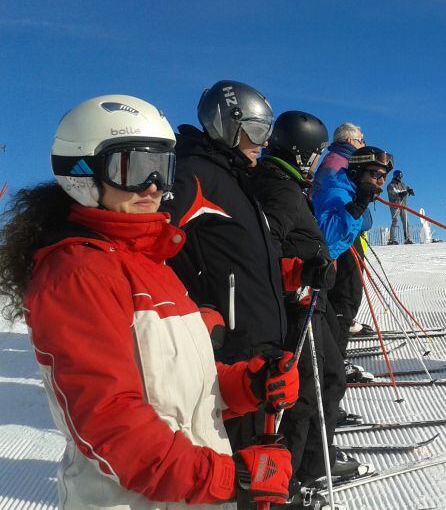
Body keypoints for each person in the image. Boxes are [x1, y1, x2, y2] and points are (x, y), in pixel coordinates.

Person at [0, 95, 296, 509]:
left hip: (186, 495)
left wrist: (245, 384)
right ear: (84, 172)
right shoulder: (78, 273)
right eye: (134, 168)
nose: (154, 185)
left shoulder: (150, 264)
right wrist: (231, 478)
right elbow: (110, 422)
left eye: (162, 168)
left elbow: (175, 389)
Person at [160, 81, 289, 458]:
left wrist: (289, 272)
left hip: (259, 347)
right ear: (227, 125)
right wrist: (186, 310)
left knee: (261, 461)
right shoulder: (195, 175)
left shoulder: (236, 180)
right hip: (230, 350)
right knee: (235, 461)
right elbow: (145, 248)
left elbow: (242, 256)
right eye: (257, 130)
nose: (263, 142)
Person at [250, 110, 363, 496]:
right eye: (313, 154)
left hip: (304, 297)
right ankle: (300, 471)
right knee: (318, 384)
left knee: (323, 380)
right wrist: (297, 273)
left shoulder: (283, 182)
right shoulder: (280, 189)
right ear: (302, 153)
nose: (317, 161)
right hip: (297, 303)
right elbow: (264, 248)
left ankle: (311, 459)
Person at [314, 122, 374, 344]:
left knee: (342, 298)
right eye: (361, 139)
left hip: (345, 235)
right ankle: (337, 361)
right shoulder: (342, 165)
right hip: (342, 240)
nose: (364, 144)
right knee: (346, 297)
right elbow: (338, 206)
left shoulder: (335, 162)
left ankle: (338, 337)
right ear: (349, 141)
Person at [313, 121, 365, 192]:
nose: (364, 145)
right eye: (361, 141)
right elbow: (325, 192)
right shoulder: (339, 162)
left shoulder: (334, 157)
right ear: (350, 140)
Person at [386, 169, 414, 244]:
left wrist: (410, 190)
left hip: (403, 205)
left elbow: (406, 188)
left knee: (406, 222)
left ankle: (407, 238)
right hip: (395, 206)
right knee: (395, 221)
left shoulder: (402, 184)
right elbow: (394, 194)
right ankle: (392, 239)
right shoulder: (390, 185)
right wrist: (401, 193)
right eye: (398, 177)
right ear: (395, 177)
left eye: (400, 178)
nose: (400, 179)